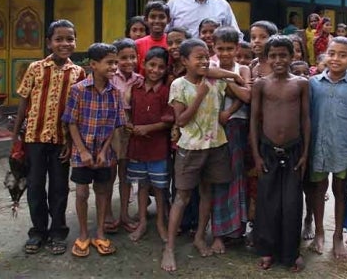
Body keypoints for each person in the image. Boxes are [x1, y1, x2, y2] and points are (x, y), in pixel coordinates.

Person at [161, 38, 251, 272]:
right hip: (190, 148)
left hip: (216, 146)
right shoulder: (179, 85)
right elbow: (180, 120)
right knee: (182, 197)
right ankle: (169, 247)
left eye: (205, 56)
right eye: (197, 57)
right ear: (184, 61)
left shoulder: (216, 80)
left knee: (207, 193)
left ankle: (200, 237)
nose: (203, 61)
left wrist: (235, 84)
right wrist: (200, 94)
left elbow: (245, 97)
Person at [12, 19, 86, 255]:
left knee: (59, 187)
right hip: (33, 139)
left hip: (61, 142)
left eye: (70, 39)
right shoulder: (35, 68)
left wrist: (72, 142)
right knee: (34, 186)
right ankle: (38, 232)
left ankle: (58, 231)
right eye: (59, 39)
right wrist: (15, 138)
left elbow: (78, 112)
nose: (65, 43)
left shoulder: (79, 73)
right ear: (49, 42)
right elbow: (23, 104)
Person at [250, 35, 310, 272]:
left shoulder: (301, 83)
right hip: (267, 150)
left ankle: (291, 253)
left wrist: (305, 153)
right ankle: (267, 250)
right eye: (273, 55)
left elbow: (306, 119)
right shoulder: (261, 84)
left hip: (294, 150)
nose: (278, 60)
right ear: (265, 58)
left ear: (292, 55)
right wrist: (256, 154)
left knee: (292, 203)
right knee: (268, 203)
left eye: (283, 55)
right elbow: (254, 121)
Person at [63, 43, 124, 257]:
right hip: (82, 153)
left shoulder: (115, 92)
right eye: (110, 62)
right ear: (93, 65)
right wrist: (84, 151)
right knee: (81, 192)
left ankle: (99, 232)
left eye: (115, 62)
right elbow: (71, 122)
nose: (114, 67)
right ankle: (82, 234)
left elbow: (114, 124)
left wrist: (103, 151)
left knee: (102, 191)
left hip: (104, 154)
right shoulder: (78, 90)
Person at [307, 36, 347, 258]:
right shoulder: (314, 83)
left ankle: (338, 235)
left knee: (340, 191)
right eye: (332, 53)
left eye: (342, 55)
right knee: (318, 190)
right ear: (325, 55)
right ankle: (319, 231)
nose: (336, 59)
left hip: (343, 148)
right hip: (317, 147)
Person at [211, 27, 252, 254]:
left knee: (237, 179)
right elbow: (242, 92)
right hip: (215, 128)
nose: (225, 53)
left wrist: (228, 86)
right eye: (220, 49)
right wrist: (234, 84)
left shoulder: (243, 68)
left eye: (229, 49)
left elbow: (247, 96)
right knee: (218, 180)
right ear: (214, 49)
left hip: (237, 126)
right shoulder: (210, 66)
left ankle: (237, 230)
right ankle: (218, 232)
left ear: (237, 48)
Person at [127, 47, 174, 242]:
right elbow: (128, 111)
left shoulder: (166, 91)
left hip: (158, 147)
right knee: (142, 185)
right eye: (151, 65)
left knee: (161, 187)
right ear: (144, 64)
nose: (155, 70)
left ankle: (161, 223)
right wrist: (129, 124)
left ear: (166, 69)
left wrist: (148, 128)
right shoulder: (135, 89)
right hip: (138, 146)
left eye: (161, 67)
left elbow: (169, 120)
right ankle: (143, 221)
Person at [106, 38, 142, 234]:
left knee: (126, 175)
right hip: (112, 130)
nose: (128, 61)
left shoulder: (140, 79)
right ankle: (108, 213)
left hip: (130, 130)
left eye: (132, 57)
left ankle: (125, 215)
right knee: (109, 174)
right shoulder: (111, 77)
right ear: (116, 59)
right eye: (123, 58)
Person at [135, 0, 170, 73]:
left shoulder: (172, 43)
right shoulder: (137, 44)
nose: (157, 21)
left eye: (161, 17)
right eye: (153, 17)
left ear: (168, 20)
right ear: (146, 20)